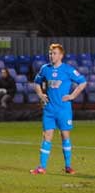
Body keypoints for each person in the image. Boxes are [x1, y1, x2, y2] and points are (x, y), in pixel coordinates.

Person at [30, 43, 87, 175]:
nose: (51, 55)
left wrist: (72, 95)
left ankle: (68, 166)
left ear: (61, 55)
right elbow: (36, 83)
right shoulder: (45, 69)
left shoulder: (68, 69)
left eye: (54, 53)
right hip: (49, 109)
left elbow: (83, 82)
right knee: (46, 136)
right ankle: (42, 167)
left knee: (64, 135)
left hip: (63, 110)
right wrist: (40, 94)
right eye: (50, 53)